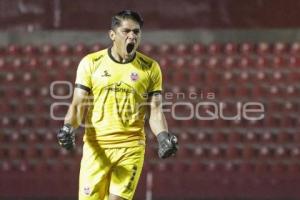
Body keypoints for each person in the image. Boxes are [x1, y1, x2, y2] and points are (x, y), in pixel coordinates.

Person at [57, 10, 178, 200]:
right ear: (112, 35)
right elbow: (78, 105)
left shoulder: (150, 68)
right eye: (126, 31)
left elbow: (154, 111)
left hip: (131, 146)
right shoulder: (91, 63)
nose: (132, 36)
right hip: (96, 148)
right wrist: (67, 127)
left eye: (136, 32)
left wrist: (163, 137)